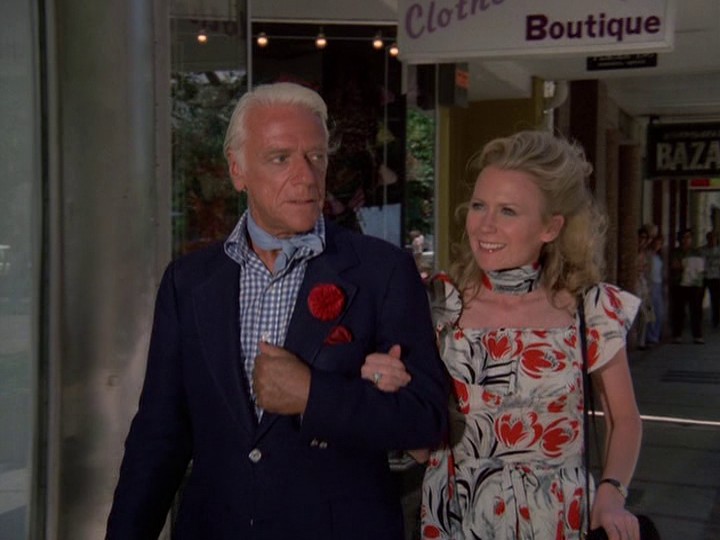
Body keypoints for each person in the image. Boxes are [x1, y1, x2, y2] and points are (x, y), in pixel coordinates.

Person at [106, 82, 449, 540]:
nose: (306, 176)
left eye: (316, 157)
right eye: (280, 158)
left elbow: (425, 419)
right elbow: (159, 435)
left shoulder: (381, 272)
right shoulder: (188, 282)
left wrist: (313, 395)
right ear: (238, 171)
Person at [371, 131, 643, 539]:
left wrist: (611, 494)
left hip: (559, 519)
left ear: (551, 227)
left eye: (508, 211)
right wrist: (388, 391)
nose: (485, 225)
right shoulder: (438, 305)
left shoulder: (591, 309)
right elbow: (421, 443)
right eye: (479, 205)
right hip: (458, 516)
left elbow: (625, 420)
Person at [669, 228, 705, 344]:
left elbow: (700, 268)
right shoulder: (675, 252)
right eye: (683, 237)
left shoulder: (697, 252)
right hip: (679, 284)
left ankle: (697, 335)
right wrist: (684, 267)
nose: (685, 240)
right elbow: (674, 266)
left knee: (696, 310)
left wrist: (685, 266)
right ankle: (677, 335)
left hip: (694, 285)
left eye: (688, 237)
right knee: (678, 310)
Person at [646, 234, 666, 345]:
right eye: (656, 243)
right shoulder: (648, 255)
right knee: (651, 310)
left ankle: (656, 334)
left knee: (659, 311)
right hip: (651, 283)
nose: (657, 245)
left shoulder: (659, 256)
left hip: (658, 283)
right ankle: (650, 335)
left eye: (660, 244)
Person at [702, 230, 720, 329]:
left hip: (716, 277)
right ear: (707, 239)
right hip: (704, 277)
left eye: (714, 238)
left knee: (715, 299)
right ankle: (698, 318)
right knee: (698, 298)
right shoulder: (703, 250)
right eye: (710, 238)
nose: (712, 240)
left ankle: (716, 320)